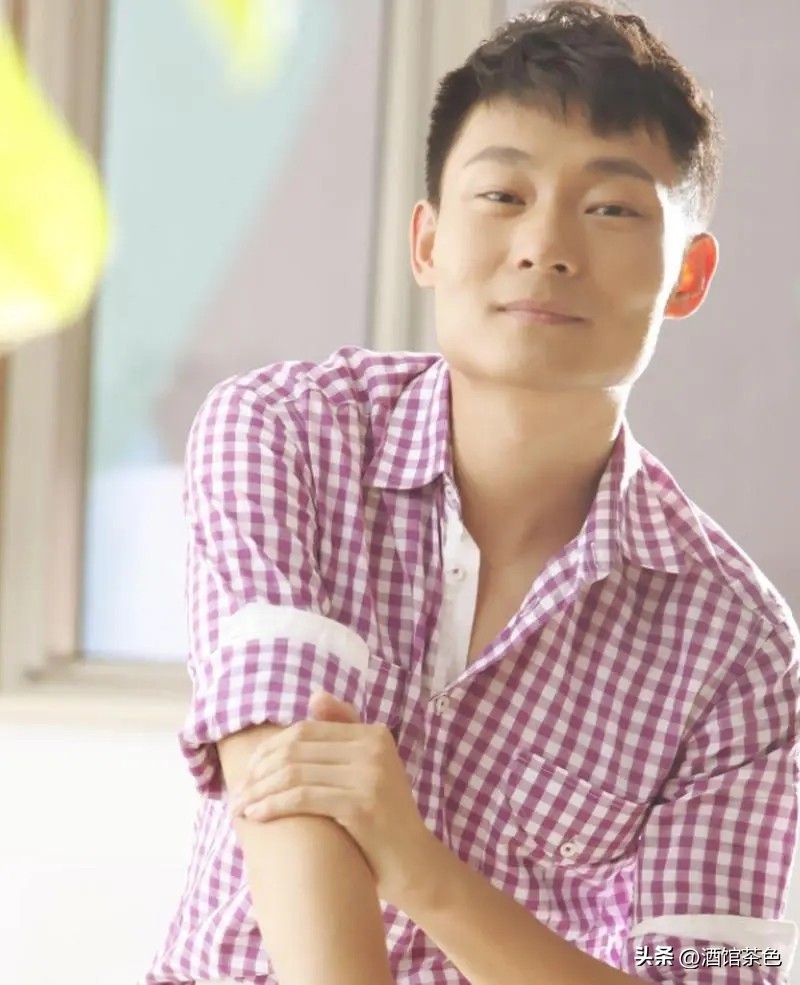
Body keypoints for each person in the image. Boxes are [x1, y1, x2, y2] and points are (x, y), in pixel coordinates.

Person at [141, 1, 800, 983]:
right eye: (501, 194)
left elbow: (701, 975)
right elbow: (282, 793)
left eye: (611, 208)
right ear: (427, 242)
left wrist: (420, 870)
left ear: (687, 275)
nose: (544, 246)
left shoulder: (735, 644)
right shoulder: (284, 435)